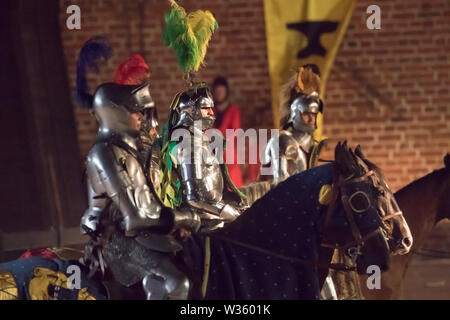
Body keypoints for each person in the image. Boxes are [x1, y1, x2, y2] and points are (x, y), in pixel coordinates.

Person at [76, 37, 200, 300]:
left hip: (151, 236)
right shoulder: (105, 154)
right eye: (138, 112)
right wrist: (183, 217)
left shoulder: (135, 149)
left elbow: (155, 193)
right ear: (116, 112)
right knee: (175, 285)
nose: (144, 118)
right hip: (120, 242)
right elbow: (135, 217)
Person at [261, 64, 327, 186]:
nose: (311, 119)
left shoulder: (309, 143)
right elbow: (281, 185)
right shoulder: (283, 141)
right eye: (306, 114)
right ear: (295, 113)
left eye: (314, 115)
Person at [211, 76, 243, 187]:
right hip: (212, 158)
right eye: (217, 91)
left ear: (226, 92)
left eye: (222, 91)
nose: (219, 94)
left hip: (229, 159)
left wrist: (216, 135)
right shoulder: (210, 111)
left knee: (233, 189)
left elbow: (234, 133)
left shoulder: (234, 111)